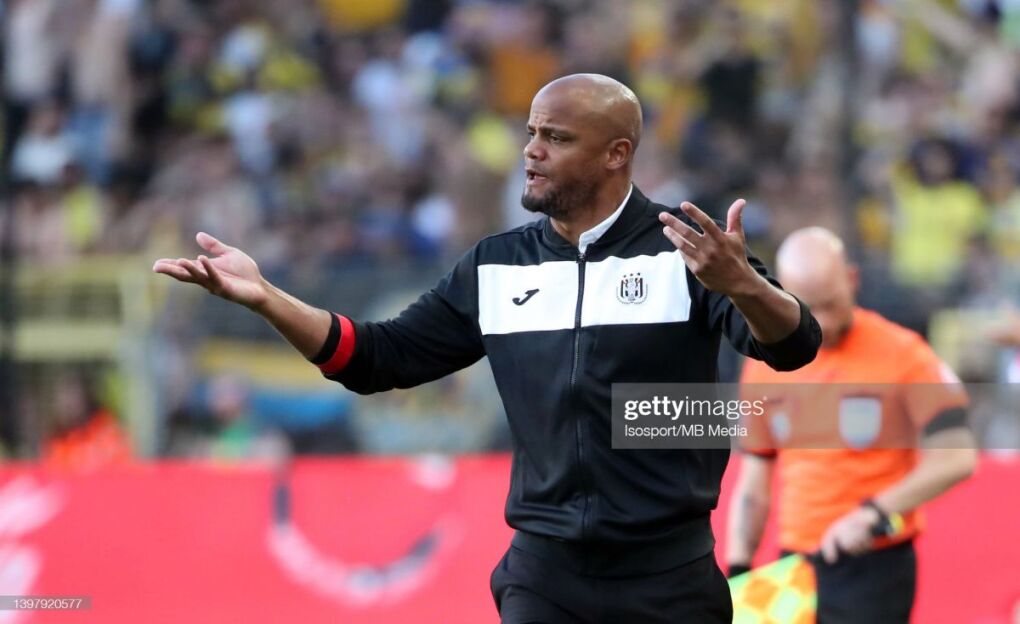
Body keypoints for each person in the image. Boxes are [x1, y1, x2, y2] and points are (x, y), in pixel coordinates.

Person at [154, 73, 821, 623]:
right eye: (531, 133)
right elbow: (375, 358)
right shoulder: (495, 265)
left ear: (616, 154)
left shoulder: (689, 251)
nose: (532, 151)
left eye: (556, 138)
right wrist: (267, 297)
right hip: (545, 574)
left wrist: (743, 284)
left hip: (669, 576)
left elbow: (794, 346)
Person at [727, 227, 977, 623]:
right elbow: (754, 483)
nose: (823, 323)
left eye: (831, 304)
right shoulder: (764, 364)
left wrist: (873, 513)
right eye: (810, 308)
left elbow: (957, 457)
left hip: (874, 563)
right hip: (795, 566)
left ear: (852, 279)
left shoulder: (904, 354)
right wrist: (739, 568)